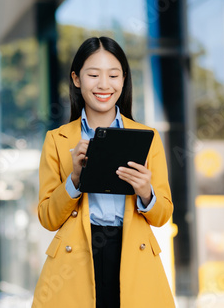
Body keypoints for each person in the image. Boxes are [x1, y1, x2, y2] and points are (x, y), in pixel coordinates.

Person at [32, 37, 175, 308]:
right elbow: (48, 218)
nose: (104, 85)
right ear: (76, 79)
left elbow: (163, 215)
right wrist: (74, 179)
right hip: (74, 263)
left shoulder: (148, 137)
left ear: (124, 80)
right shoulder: (57, 140)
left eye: (113, 75)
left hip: (133, 257)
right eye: (93, 75)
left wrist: (146, 192)